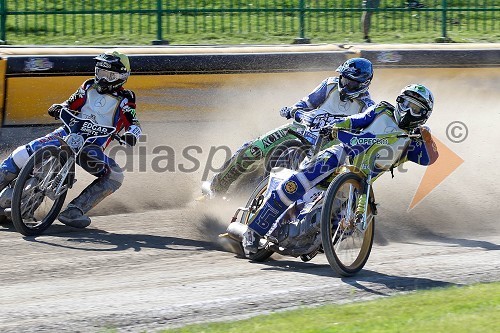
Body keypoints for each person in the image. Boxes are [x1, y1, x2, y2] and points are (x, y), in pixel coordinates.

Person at [242, 84, 439, 253]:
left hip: (361, 180)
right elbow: (357, 120)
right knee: (298, 183)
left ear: (424, 115)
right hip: (342, 154)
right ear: (398, 101)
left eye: (415, 108)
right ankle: (253, 231)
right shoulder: (382, 110)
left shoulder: (414, 141)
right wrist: (337, 126)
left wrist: (428, 140)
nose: (407, 110)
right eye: (405, 103)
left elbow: (430, 159)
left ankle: (313, 241)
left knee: (341, 224)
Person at [0, 50, 142, 228]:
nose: (103, 79)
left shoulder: (126, 98)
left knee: (116, 176)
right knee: (21, 153)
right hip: (65, 133)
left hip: (91, 147)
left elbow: (133, 122)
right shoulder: (88, 86)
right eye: (100, 72)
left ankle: (74, 210)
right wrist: (58, 107)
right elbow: (69, 104)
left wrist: (132, 134)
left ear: (122, 76)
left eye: (109, 75)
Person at [202, 57, 375, 198]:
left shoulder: (368, 107)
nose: (345, 85)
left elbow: (364, 138)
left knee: (308, 178)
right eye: (344, 79)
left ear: (363, 83)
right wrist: (295, 110)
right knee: (252, 150)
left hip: (329, 144)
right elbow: (304, 103)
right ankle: (216, 187)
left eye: (351, 83)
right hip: (301, 128)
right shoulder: (329, 85)